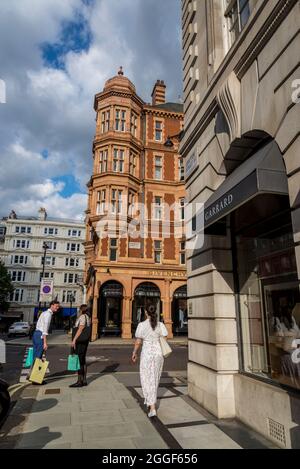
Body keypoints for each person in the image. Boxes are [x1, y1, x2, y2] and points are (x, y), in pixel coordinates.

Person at [132, 304, 168, 418]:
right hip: (158, 354)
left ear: (146, 313)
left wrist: (134, 352)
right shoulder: (160, 324)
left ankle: (152, 406)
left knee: (146, 378)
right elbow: (165, 338)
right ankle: (150, 401)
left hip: (147, 354)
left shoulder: (142, 325)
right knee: (154, 379)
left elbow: (138, 341)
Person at [70, 304, 91, 388]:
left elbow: (80, 328)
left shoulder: (82, 317)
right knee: (83, 360)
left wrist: (74, 339)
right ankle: (84, 380)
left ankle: (79, 381)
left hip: (80, 341)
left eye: (79, 309)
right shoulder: (87, 317)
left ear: (81, 310)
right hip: (84, 341)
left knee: (80, 360)